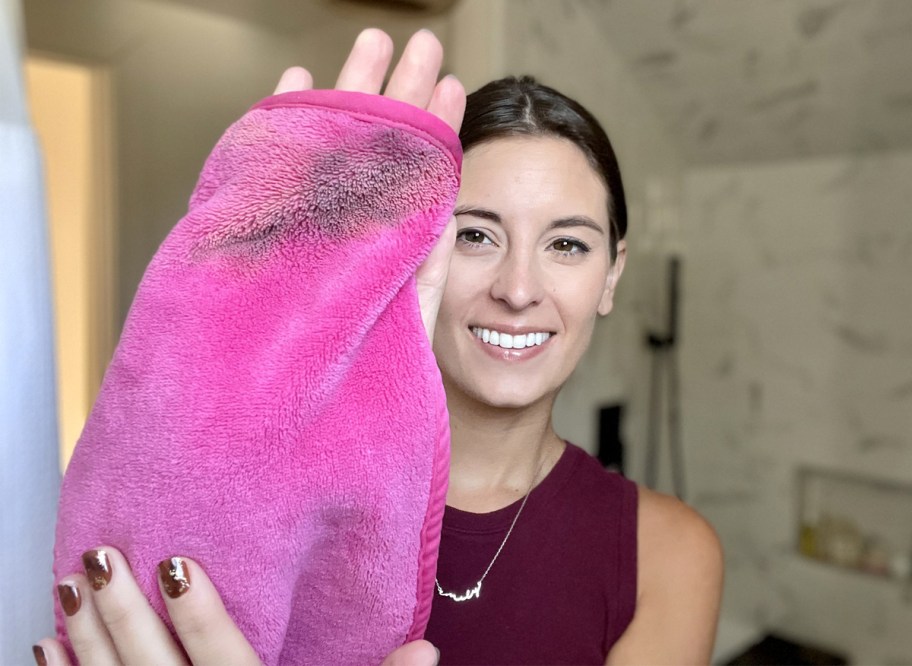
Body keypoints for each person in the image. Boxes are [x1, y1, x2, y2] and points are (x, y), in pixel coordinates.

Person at [34, 28, 722, 666]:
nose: (518, 290)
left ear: (612, 275)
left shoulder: (668, 554)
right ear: (419, 251)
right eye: (474, 235)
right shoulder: (275, 497)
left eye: (567, 244)